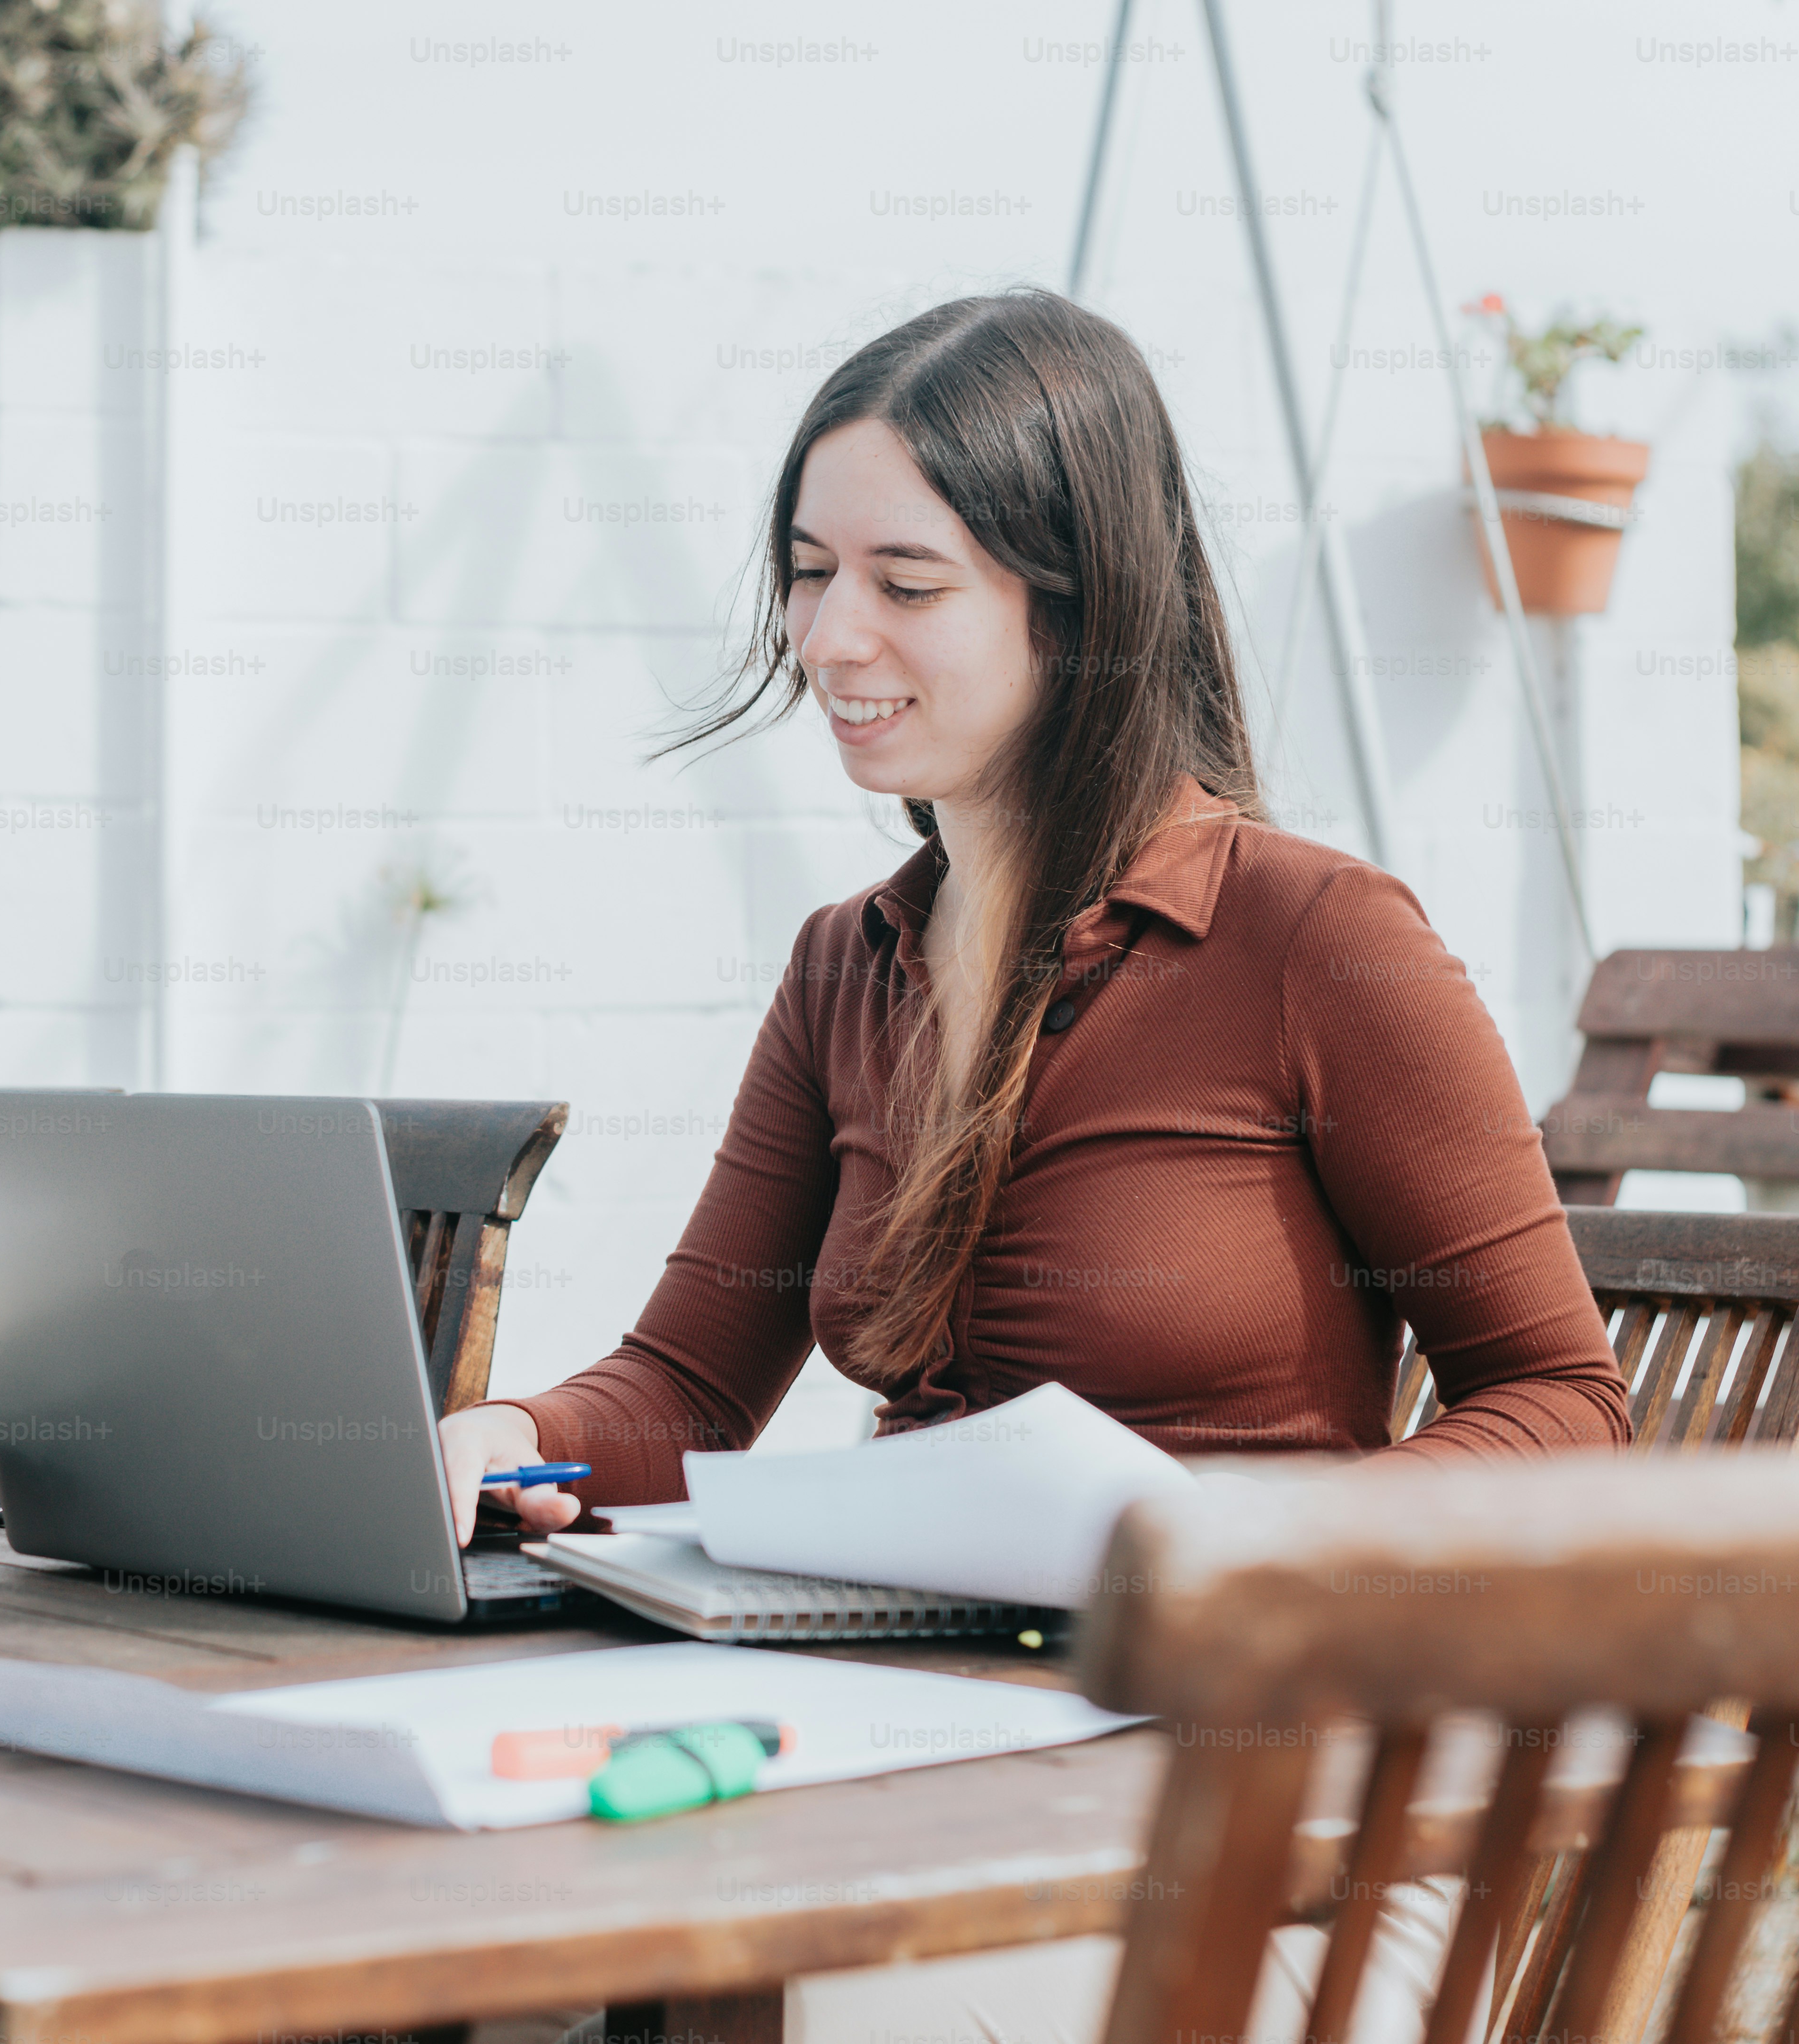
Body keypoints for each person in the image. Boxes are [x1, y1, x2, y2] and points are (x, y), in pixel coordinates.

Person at [439, 287, 1629, 1555]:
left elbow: (1562, 1405)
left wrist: (1243, 1535)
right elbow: (690, 1385)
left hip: (1214, 1701)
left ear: (1076, 609)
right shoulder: (845, 967)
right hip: (904, 1671)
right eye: (807, 572)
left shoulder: (1315, 939)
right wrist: (505, 1435)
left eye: (906, 584)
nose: (830, 637)